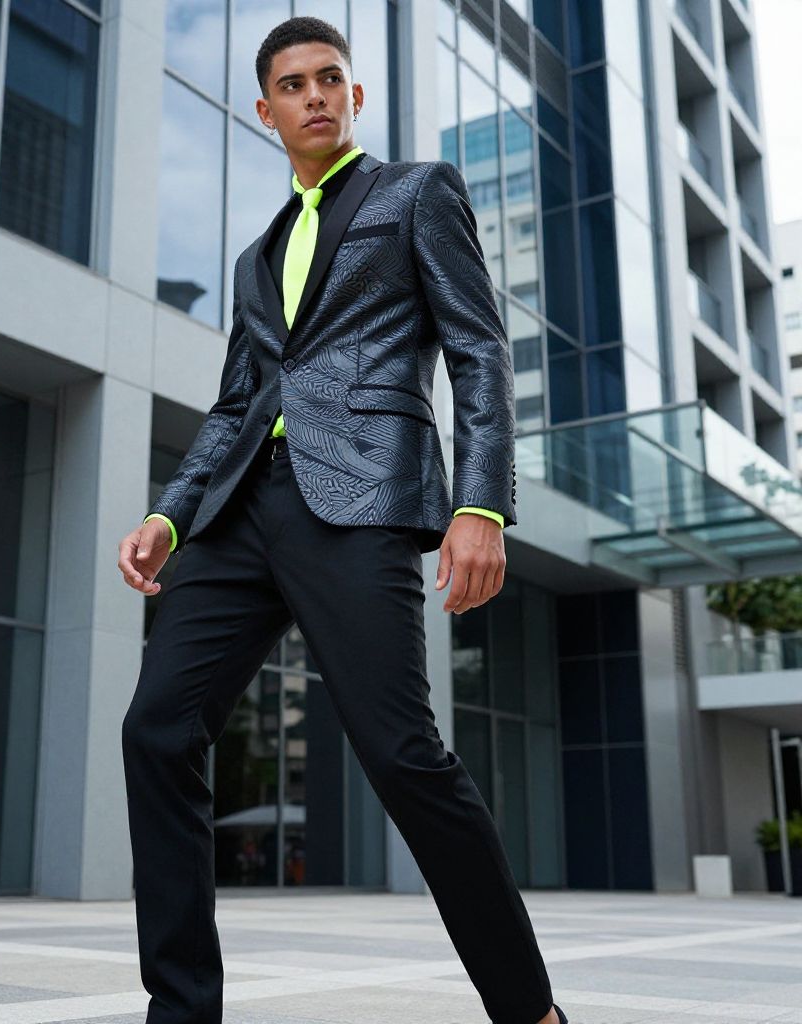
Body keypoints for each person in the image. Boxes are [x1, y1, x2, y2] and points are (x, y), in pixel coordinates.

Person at [118, 15, 568, 1024]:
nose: (315, 94)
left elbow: (478, 352)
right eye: (293, 83)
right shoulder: (253, 257)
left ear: (353, 96)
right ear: (265, 107)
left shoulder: (414, 193)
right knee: (156, 727)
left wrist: (481, 501)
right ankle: (181, 1012)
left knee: (403, 752)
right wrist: (169, 514)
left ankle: (530, 1011)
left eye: (331, 77)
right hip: (238, 513)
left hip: (359, 499)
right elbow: (235, 404)